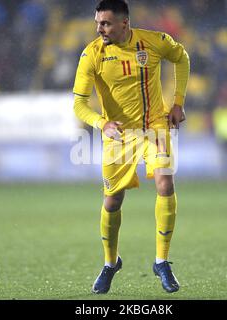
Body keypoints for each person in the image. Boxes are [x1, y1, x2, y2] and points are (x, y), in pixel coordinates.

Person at [72, 0, 189, 294]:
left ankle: (162, 261)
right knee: (112, 201)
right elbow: (79, 104)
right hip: (118, 136)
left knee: (165, 184)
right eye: (98, 22)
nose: (100, 29)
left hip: (155, 127)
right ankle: (111, 263)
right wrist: (102, 123)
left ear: (124, 23)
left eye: (106, 23)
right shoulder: (92, 54)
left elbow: (182, 58)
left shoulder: (152, 42)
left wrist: (178, 103)